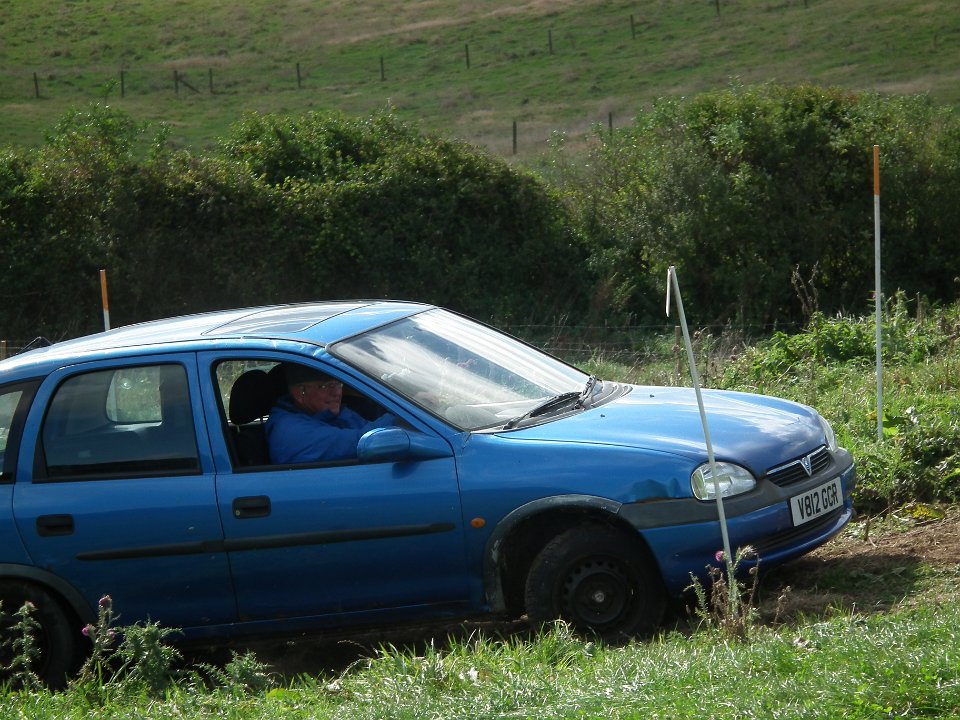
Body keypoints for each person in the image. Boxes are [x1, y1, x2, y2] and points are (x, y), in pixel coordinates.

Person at [264, 364, 397, 464]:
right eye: (327, 386)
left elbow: (365, 427)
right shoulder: (292, 432)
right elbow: (364, 441)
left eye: (338, 384)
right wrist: (403, 418)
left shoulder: (322, 412)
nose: (337, 393)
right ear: (301, 393)